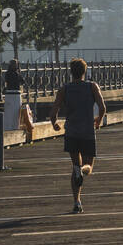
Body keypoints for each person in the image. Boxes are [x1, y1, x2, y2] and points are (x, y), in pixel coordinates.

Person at [50, 58, 106, 214]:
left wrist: (54, 124)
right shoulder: (92, 86)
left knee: (75, 165)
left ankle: (77, 202)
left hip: (71, 133)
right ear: (84, 71)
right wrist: (99, 120)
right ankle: (82, 170)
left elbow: (53, 112)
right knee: (88, 166)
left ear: (71, 72)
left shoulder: (65, 89)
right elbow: (102, 107)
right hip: (87, 132)